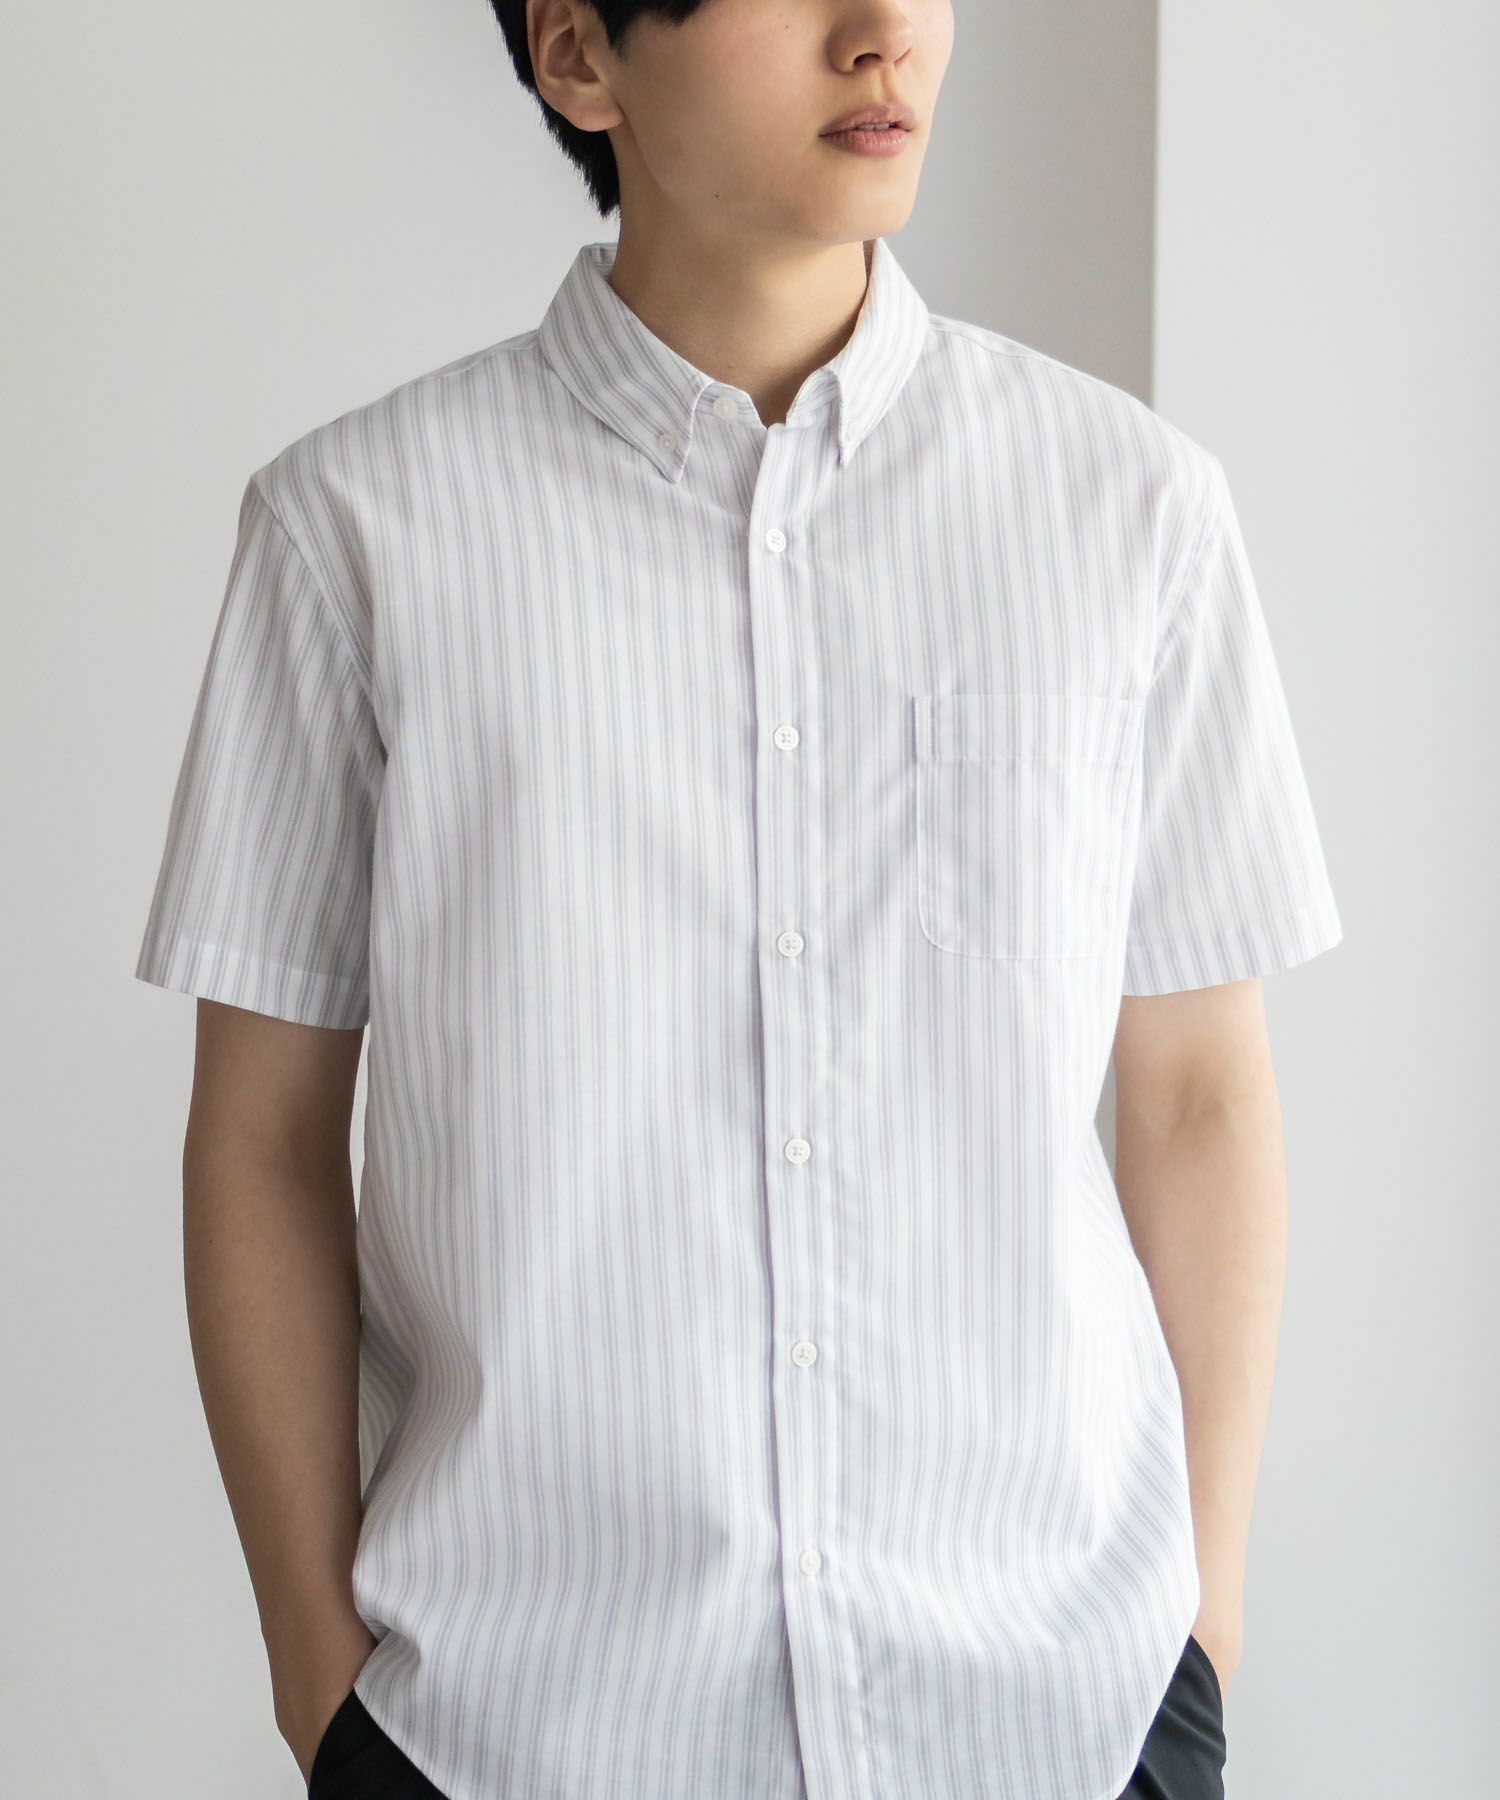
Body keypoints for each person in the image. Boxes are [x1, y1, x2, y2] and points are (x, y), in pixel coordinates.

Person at [133, 3, 1342, 1797]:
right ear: (579, 58)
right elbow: (263, 1141)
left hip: (1060, 1722)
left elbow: (1198, 1099)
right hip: (520, 1732)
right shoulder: (358, 535)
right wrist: (324, 1689)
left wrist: (1201, 1630)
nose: (886, 34)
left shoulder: (1130, 511)